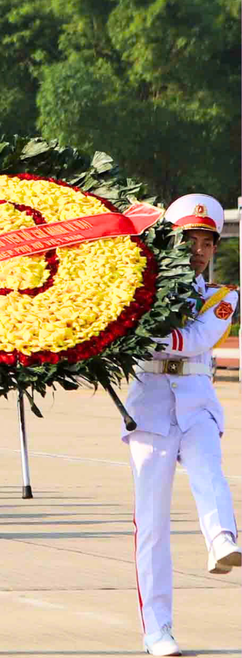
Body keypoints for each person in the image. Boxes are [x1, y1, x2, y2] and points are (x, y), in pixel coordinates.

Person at [125, 194, 240, 656]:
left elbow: (192, 339)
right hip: (149, 407)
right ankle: (158, 630)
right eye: (188, 239)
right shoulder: (135, 291)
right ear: (169, 242)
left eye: (207, 242)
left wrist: (141, 330)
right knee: (151, 526)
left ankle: (222, 539)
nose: (198, 250)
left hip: (196, 402)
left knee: (208, 468)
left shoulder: (222, 297)